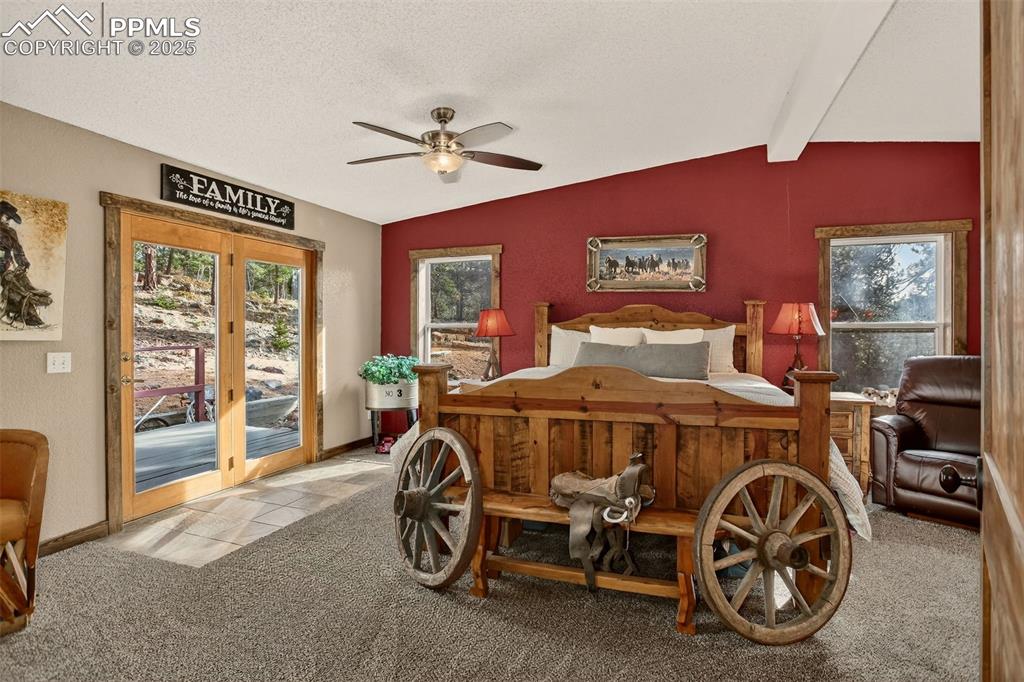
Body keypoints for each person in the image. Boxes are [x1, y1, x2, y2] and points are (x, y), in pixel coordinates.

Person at [0, 199, 50, 327]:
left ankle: (30, 316)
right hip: (3, 270)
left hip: (7, 267)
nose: (8, 220)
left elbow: (18, 251)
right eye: (6, 217)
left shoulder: (11, 232)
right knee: (11, 282)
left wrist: (24, 265)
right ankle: (22, 315)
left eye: (9, 218)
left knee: (23, 283)